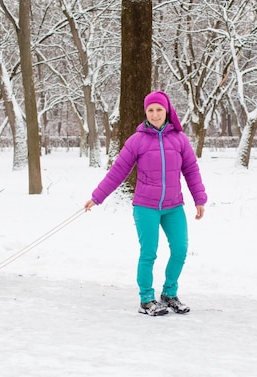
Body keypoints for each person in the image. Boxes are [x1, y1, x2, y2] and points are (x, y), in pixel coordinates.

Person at [84, 91, 207, 316]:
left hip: (173, 206)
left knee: (180, 249)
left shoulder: (179, 139)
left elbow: (191, 169)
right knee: (149, 252)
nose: (155, 114)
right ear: (145, 112)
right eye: (150, 110)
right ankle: (146, 300)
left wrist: (199, 198)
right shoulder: (137, 141)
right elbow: (118, 171)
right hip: (146, 207)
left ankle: (169, 294)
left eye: (159, 109)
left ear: (167, 110)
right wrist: (97, 196)